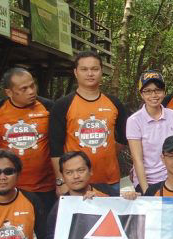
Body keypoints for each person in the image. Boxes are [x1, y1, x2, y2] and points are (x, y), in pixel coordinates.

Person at [49, 50, 129, 196]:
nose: (90, 74)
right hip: (75, 184)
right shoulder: (63, 105)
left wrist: (105, 153)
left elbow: (123, 139)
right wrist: (61, 181)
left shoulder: (114, 103)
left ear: (101, 71)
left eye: (94, 69)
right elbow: (55, 148)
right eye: (84, 69)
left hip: (110, 180)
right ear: (75, 72)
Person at [0, 67, 55, 214]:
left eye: (32, 85)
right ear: (9, 92)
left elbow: (59, 144)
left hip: (45, 186)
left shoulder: (48, 107)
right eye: (24, 88)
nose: (31, 91)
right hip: (8, 186)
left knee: (45, 232)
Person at [126, 70, 173, 193]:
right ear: (141, 94)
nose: (154, 95)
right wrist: (146, 191)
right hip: (147, 180)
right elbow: (137, 159)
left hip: (171, 179)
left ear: (164, 92)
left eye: (158, 90)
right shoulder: (134, 121)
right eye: (148, 91)